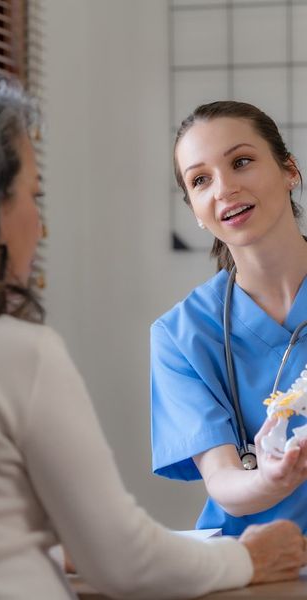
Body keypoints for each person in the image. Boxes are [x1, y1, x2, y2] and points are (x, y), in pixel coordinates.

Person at [0, 83, 306, 600]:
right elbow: (124, 560)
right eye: (32, 195)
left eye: (242, 162)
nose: (40, 224)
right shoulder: (19, 352)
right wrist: (250, 554)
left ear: (288, 170)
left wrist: (46, 547)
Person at [151, 100, 307, 537]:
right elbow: (223, 482)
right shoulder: (182, 335)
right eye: (201, 180)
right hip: (258, 564)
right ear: (196, 210)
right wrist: (271, 477)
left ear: (289, 170)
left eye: (241, 162)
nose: (224, 189)